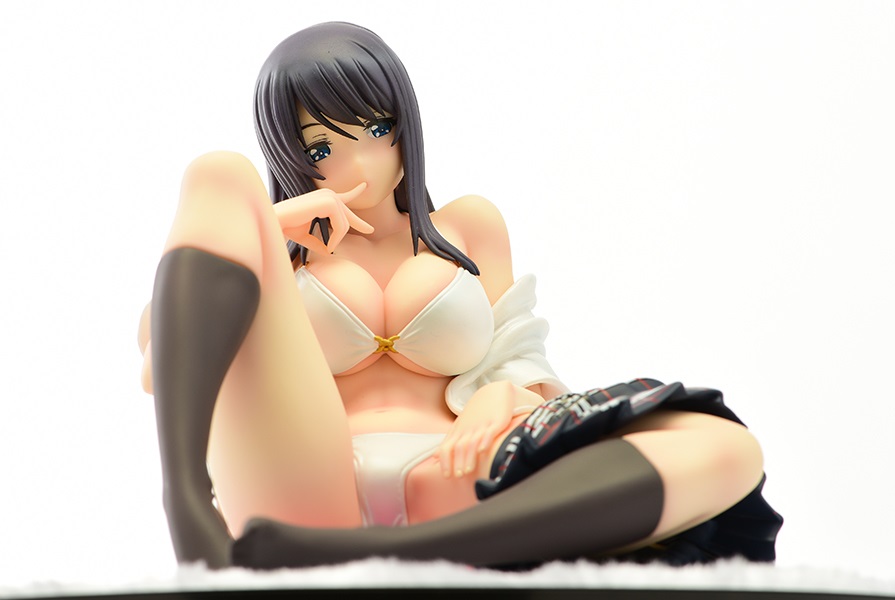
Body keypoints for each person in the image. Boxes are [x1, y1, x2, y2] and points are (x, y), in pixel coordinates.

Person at [137, 22, 781, 570]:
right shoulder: (272, 252)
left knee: (725, 447)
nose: (359, 164)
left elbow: (520, 359)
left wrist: (504, 396)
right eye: (322, 147)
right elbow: (158, 358)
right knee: (218, 174)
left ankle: (402, 553)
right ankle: (188, 507)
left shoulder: (468, 226)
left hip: (450, 476)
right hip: (304, 480)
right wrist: (269, 226)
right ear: (289, 154)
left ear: (404, 124)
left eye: (377, 128)